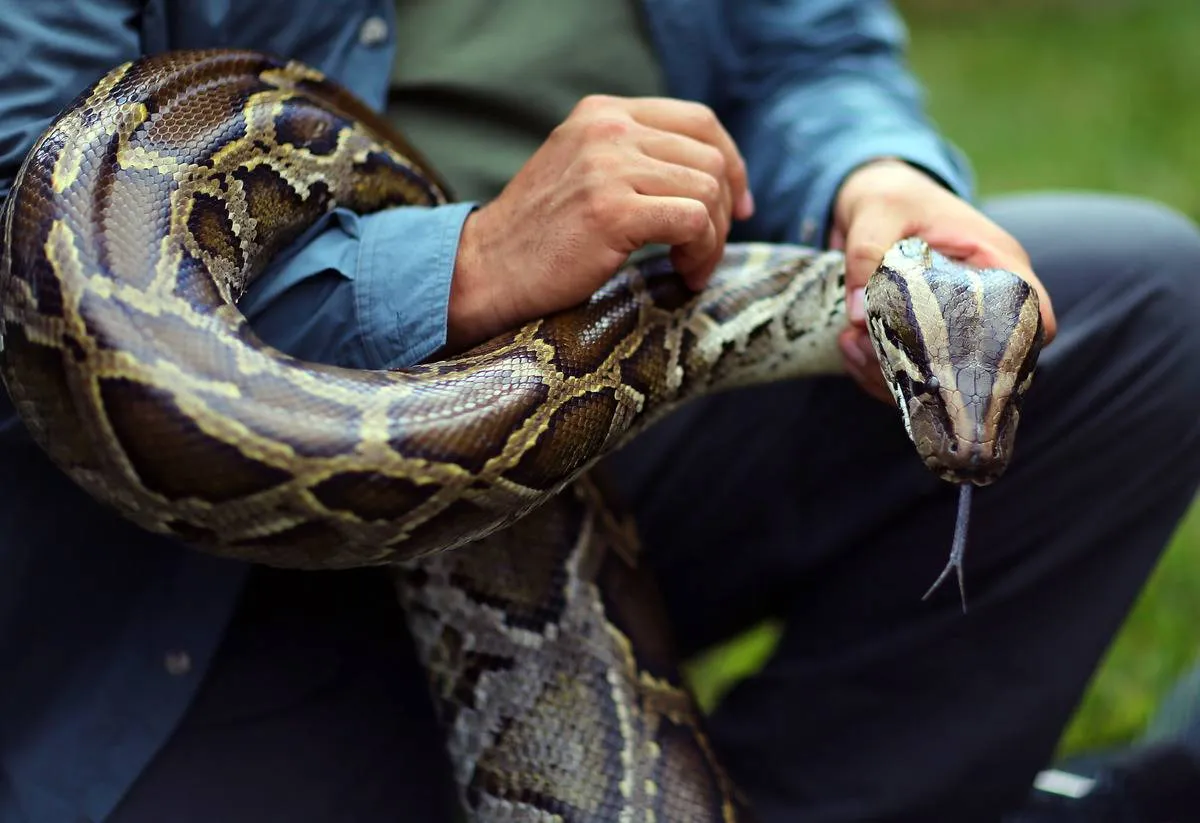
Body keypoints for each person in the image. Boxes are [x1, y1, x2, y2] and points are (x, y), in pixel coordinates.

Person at [0, 2, 1197, 822]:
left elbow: (809, 58)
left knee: (1142, 302)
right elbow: (25, 198)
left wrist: (875, 173)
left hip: (607, 385)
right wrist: (467, 264)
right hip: (174, 555)